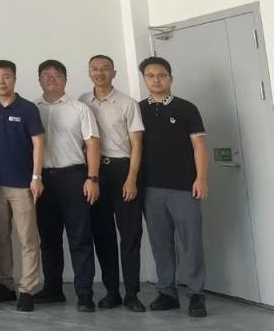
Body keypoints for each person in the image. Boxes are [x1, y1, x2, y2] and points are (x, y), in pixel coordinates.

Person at [138, 55, 208, 318]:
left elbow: (199, 146)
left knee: (192, 242)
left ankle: (197, 294)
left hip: (184, 188)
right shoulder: (138, 110)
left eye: (162, 75)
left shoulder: (186, 108)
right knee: (160, 243)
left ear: (170, 78)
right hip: (150, 188)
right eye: (151, 75)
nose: (156, 80)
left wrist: (201, 178)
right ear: (144, 79)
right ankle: (167, 292)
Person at [79, 54, 145, 312]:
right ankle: (112, 291)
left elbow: (137, 144)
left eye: (105, 69)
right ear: (89, 73)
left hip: (122, 170)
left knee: (130, 235)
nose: (99, 73)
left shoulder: (127, 103)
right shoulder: (83, 102)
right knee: (103, 234)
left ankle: (132, 293)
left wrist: (132, 178)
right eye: (94, 69)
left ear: (114, 73)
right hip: (96, 173)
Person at [34, 59, 100, 313]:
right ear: (39, 80)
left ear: (65, 79)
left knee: (79, 237)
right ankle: (53, 289)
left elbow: (92, 144)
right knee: (48, 238)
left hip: (74, 178)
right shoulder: (32, 109)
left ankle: (85, 293)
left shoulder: (80, 108)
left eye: (57, 75)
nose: (51, 79)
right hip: (43, 180)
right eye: (46, 75)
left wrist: (92, 178)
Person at [0, 59, 44, 313]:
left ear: (14, 78)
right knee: (1, 238)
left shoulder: (28, 108)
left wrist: (36, 177)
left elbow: (38, 143)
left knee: (28, 239)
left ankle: (28, 289)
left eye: (6, 76)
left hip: (23, 186)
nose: (1, 81)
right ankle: (6, 285)